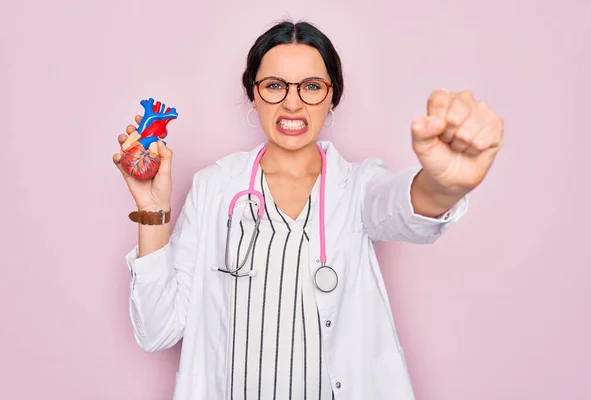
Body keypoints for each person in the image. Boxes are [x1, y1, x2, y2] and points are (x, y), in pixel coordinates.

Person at [112, 20, 503, 400]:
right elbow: (157, 331)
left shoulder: (357, 186)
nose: (293, 102)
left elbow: (402, 205)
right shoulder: (214, 187)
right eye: (275, 86)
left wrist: (444, 185)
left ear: (332, 96)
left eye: (312, 86)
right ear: (253, 93)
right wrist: (152, 208)